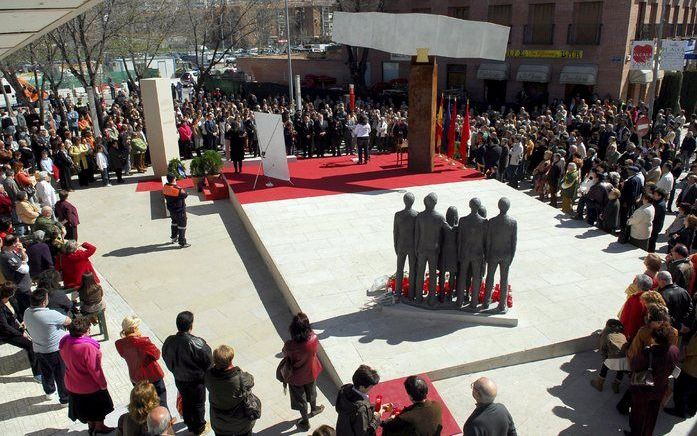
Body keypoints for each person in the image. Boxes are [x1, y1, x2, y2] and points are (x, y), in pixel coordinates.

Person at [59, 315, 115, 434]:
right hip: (90, 387)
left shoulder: (65, 342)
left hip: (72, 385)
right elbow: (95, 370)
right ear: (85, 331)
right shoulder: (88, 347)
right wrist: (103, 384)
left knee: (85, 409)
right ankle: (99, 428)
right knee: (97, 409)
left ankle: (91, 427)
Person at [162, 311, 212, 435]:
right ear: (191, 326)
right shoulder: (197, 343)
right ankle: (199, 427)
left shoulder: (169, 341)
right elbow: (209, 362)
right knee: (198, 404)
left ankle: (189, 423)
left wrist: (175, 370)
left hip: (180, 379)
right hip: (196, 382)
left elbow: (166, 357)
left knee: (186, 400)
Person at [627, 323, 679, 436]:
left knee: (638, 416)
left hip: (643, 390)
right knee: (652, 417)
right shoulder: (674, 351)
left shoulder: (649, 353)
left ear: (654, 337)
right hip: (660, 390)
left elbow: (634, 365)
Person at [23, 288, 71, 404]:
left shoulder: (27, 312)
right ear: (44, 302)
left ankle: (49, 392)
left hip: (39, 349)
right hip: (54, 350)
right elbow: (68, 321)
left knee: (46, 372)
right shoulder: (51, 314)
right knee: (60, 375)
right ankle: (64, 399)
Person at [283, 312, 325, 431]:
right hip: (311, 372)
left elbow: (286, 355)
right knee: (312, 391)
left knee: (300, 399)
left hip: (296, 377)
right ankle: (314, 408)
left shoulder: (289, 345)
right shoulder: (314, 338)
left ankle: (305, 422)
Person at [204, 344, 258, 436]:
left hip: (219, 422)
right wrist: (237, 370)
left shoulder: (208, 376)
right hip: (241, 423)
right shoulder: (240, 377)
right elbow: (251, 380)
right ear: (230, 360)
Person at [115, 315, 167, 407]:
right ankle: (165, 420)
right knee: (161, 403)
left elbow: (124, 354)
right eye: (137, 327)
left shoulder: (119, 344)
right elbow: (157, 354)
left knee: (145, 404)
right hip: (153, 376)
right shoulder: (144, 342)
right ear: (133, 329)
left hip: (136, 377)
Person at [0, 282, 41, 380]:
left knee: (36, 335)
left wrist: (24, 321)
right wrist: (21, 334)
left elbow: (19, 312)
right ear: (10, 293)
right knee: (30, 346)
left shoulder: (12, 300)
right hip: (6, 333)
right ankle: (37, 374)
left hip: (17, 325)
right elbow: (5, 326)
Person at [335, 365, 382, 435]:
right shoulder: (361, 408)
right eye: (371, 386)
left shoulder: (345, 389)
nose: (372, 388)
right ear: (362, 387)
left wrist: (372, 407)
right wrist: (377, 417)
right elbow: (364, 433)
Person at [665, 331, 697, 418]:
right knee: (694, 393)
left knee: (680, 390)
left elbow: (690, 349)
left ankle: (679, 410)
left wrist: (680, 356)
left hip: (692, 370)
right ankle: (691, 410)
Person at [0, 234, 33, 316]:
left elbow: (26, 259)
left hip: (25, 286)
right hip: (22, 288)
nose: (19, 243)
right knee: (28, 309)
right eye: (17, 242)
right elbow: (25, 270)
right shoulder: (7, 256)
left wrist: (22, 252)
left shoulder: (12, 251)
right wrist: (24, 263)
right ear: (13, 244)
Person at [162, 173, 189, 248]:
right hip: (179, 210)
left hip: (171, 210)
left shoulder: (165, 187)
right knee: (182, 225)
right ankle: (182, 242)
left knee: (174, 222)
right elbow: (185, 194)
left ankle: (174, 238)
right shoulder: (177, 190)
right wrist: (178, 187)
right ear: (174, 179)